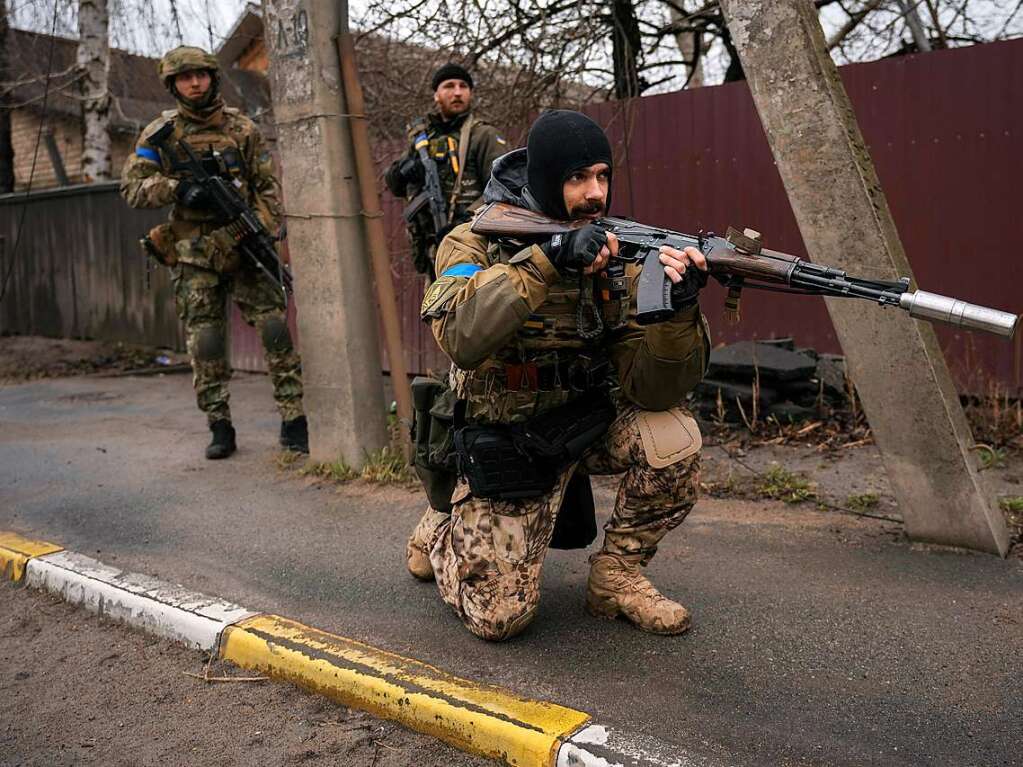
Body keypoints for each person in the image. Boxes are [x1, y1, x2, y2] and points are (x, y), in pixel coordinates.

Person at [407, 109, 711, 641]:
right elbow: (462, 337)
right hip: (504, 441)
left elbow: (653, 390)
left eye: (602, 176)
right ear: (548, 180)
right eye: (577, 178)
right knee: (500, 619)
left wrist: (676, 314)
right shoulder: (472, 242)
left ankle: (617, 576)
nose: (595, 193)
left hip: (582, 427)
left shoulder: (620, 255)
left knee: (674, 436)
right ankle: (443, 525)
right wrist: (548, 262)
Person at [120, 46, 307, 460]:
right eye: (184, 78)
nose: (194, 83)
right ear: (173, 84)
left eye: (200, 75)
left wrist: (253, 227)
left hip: (244, 244)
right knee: (205, 340)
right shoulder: (158, 135)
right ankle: (219, 425)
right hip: (193, 253)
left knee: (275, 329)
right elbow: (133, 187)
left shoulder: (241, 128)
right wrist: (177, 188)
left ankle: (294, 419)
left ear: (212, 78)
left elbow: (267, 188)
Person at [384, 63, 507, 279]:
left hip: (472, 245)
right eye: (449, 86)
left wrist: (463, 223)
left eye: (463, 86)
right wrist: (405, 170)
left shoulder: (483, 135)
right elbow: (394, 185)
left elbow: (503, 188)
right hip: (432, 250)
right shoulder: (423, 140)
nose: (457, 92)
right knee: (437, 309)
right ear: (436, 95)